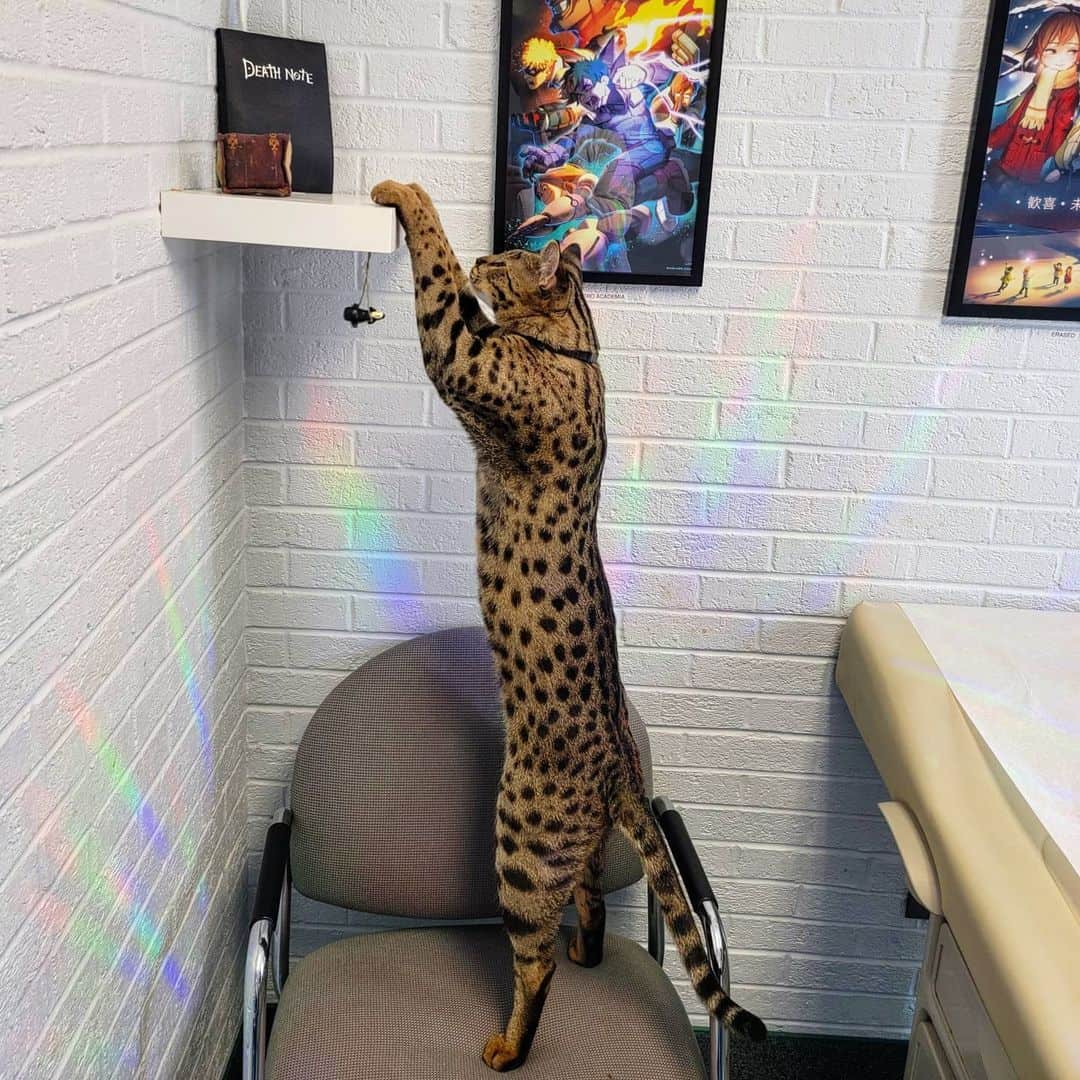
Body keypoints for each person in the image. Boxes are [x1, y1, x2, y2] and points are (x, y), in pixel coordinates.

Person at [988, 11, 1080, 183]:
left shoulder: (1072, 90)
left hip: (1040, 164)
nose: (1061, 58)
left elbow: (1061, 129)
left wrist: (1053, 165)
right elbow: (1015, 120)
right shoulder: (1035, 83)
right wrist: (992, 142)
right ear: (1040, 49)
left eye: (1072, 50)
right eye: (1052, 50)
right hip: (1014, 155)